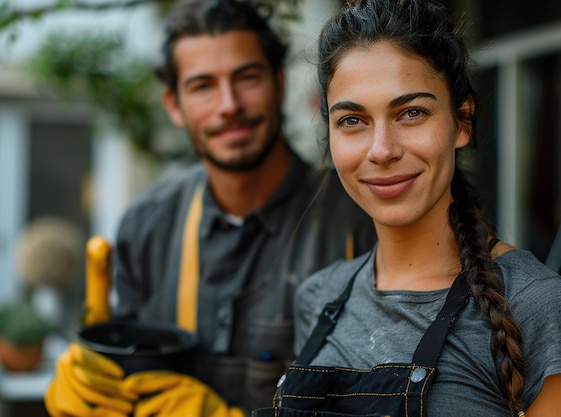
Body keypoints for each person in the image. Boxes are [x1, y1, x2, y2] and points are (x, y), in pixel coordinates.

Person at [253, 1, 561, 416]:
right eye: (352, 120)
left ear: (463, 121)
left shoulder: (537, 307)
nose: (381, 150)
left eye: (412, 113)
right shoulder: (320, 297)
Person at [43, 0, 376, 416]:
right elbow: (123, 375)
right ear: (173, 104)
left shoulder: (361, 218)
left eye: (247, 77)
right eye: (202, 85)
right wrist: (93, 387)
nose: (228, 105)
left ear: (279, 82)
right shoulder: (148, 226)